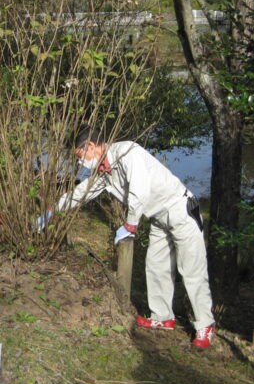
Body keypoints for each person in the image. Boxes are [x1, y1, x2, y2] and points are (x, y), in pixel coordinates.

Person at [38, 126, 215, 349]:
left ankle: (205, 324)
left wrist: (130, 224)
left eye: (80, 155)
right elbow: (83, 191)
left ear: (91, 146)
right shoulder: (104, 170)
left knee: (191, 269)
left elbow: (138, 191)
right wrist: (54, 210)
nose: (80, 161)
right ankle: (163, 317)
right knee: (156, 266)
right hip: (158, 216)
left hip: (179, 210)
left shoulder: (129, 152)